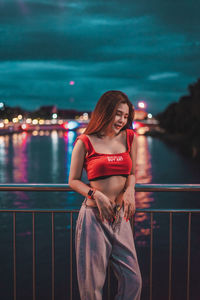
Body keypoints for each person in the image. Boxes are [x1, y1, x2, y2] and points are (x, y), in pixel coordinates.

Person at [69, 90, 142, 300]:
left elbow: (132, 173)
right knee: (91, 287)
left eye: (126, 116)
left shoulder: (130, 137)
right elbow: (72, 180)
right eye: (118, 114)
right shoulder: (85, 141)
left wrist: (130, 190)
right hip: (93, 217)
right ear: (106, 111)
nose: (122, 120)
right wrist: (96, 195)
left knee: (133, 280)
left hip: (121, 217)